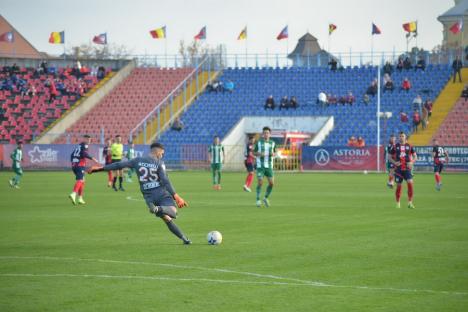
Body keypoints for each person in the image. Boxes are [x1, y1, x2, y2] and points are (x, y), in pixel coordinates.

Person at [87, 142, 191, 245]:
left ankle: (184, 238)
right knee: (174, 212)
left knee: (166, 218)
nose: (162, 155)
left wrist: (100, 169)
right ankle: (158, 209)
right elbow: (165, 180)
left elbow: (119, 165)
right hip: (161, 193)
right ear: (158, 151)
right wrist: (176, 196)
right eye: (162, 153)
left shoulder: (138, 160)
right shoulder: (159, 163)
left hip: (149, 197)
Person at [69, 135, 99, 205]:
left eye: (90, 139)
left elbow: (71, 155)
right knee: (80, 180)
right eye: (88, 139)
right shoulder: (85, 145)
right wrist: (93, 158)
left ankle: (80, 198)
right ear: (84, 139)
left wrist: (73, 162)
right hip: (80, 165)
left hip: (75, 165)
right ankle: (73, 194)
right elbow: (84, 154)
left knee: (83, 181)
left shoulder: (79, 146)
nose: (89, 141)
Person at [390, 132, 417, 209]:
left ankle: (410, 202)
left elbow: (415, 156)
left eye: (403, 136)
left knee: (410, 183)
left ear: (405, 137)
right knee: (399, 186)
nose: (401, 137)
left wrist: (412, 162)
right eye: (400, 136)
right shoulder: (395, 146)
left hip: (407, 168)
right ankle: (398, 203)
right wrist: (395, 162)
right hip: (398, 169)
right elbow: (389, 157)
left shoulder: (410, 146)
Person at [254, 126, 277, 207]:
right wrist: (259, 154)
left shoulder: (273, 143)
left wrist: (274, 154)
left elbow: (275, 153)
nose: (266, 134)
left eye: (267, 133)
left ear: (270, 134)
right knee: (260, 182)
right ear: (263, 134)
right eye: (264, 133)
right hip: (260, 166)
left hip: (269, 166)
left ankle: (265, 198)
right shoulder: (259, 143)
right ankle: (257, 200)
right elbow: (254, 152)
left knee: (271, 183)